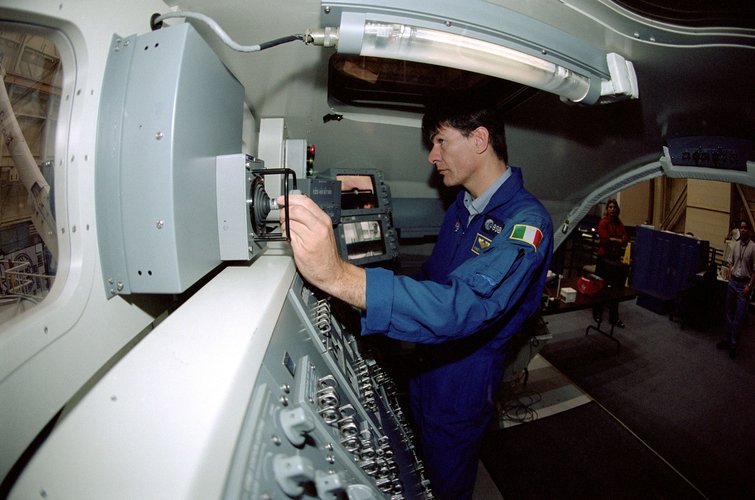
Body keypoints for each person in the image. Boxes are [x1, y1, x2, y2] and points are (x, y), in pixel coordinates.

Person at [278, 97, 553, 500]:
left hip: (464, 381)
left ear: (479, 139)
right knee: (416, 468)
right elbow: (432, 278)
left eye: (440, 141)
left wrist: (341, 276)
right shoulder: (464, 207)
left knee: (446, 484)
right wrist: (361, 300)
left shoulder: (526, 223)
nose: (432, 156)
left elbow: (460, 306)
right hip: (428, 368)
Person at [718, 219, 755, 359]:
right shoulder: (735, 245)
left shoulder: (753, 248)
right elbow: (730, 262)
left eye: (746, 228)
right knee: (728, 313)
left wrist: (749, 287)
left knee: (738, 317)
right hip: (733, 283)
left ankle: (733, 344)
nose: (743, 230)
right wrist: (730, 277)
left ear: (749, 231)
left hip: (743, 286)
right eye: (741, 227)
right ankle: (727, 340)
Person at [592, 198, 629, 328]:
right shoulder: (603, 222)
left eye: (614, 207)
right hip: (604, 259)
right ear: (607, 209)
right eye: (610, 207)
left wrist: (616, 240)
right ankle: (597, 313)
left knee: (616, 290)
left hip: (615, 259)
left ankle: (614, 318)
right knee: (600, 287)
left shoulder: (619, 224)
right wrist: (617, 240)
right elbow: (605, 241)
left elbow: (625, 238)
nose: (612, 209)